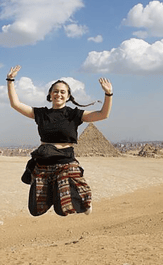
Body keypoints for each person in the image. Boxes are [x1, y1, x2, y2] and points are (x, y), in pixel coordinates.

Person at [6, 65, 113, 217]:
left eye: (63, 92)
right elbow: (15, 104)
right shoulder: (41, 114)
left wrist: (108, 94)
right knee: (36, 208)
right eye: (55, 91)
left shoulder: (74, 114)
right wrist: (10, 80)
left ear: (68, 96)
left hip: (65, 160)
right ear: (50, 94)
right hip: (44, 161)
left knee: (66, 205)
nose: (59, 94)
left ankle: (84, 201)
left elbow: (103, 114)